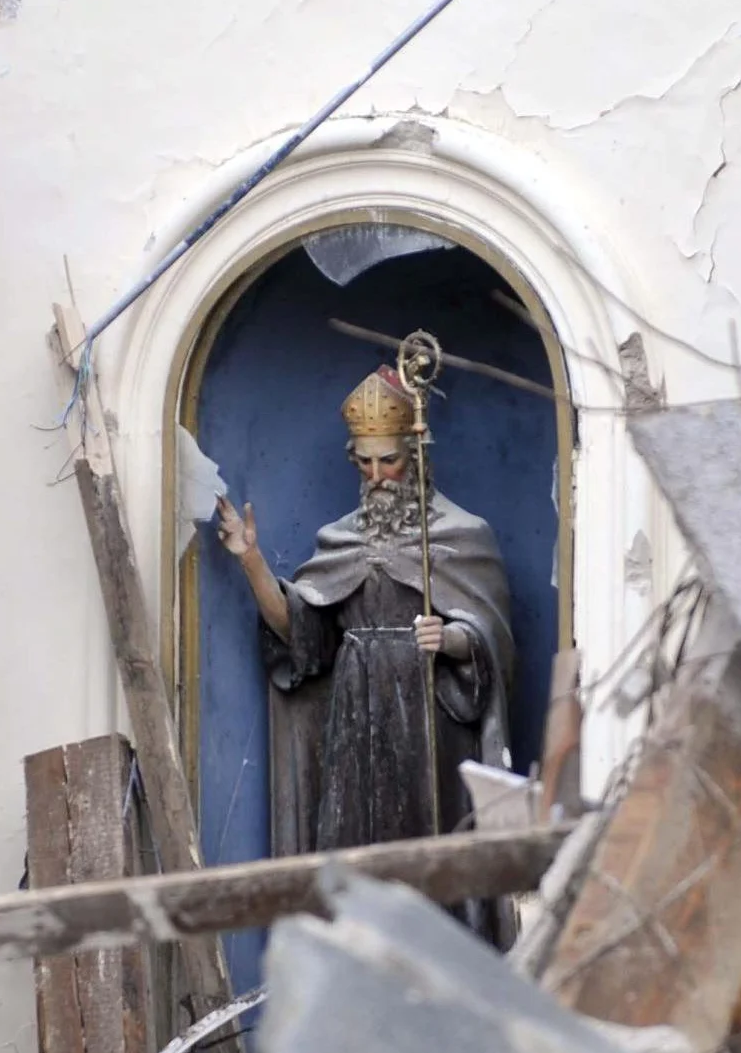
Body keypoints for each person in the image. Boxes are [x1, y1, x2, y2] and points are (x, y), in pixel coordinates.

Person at [215, 366, 516, 939]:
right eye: (365, 462)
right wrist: (251, 562)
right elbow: (305, 641)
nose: (377, 475)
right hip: (355, 727)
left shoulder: (461, 535)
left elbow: (493, 644)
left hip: (431, 729)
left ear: (416, 453)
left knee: (431, 870)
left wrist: (453, 638)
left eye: (389, 460)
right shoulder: (340, 540)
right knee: (355, 866)